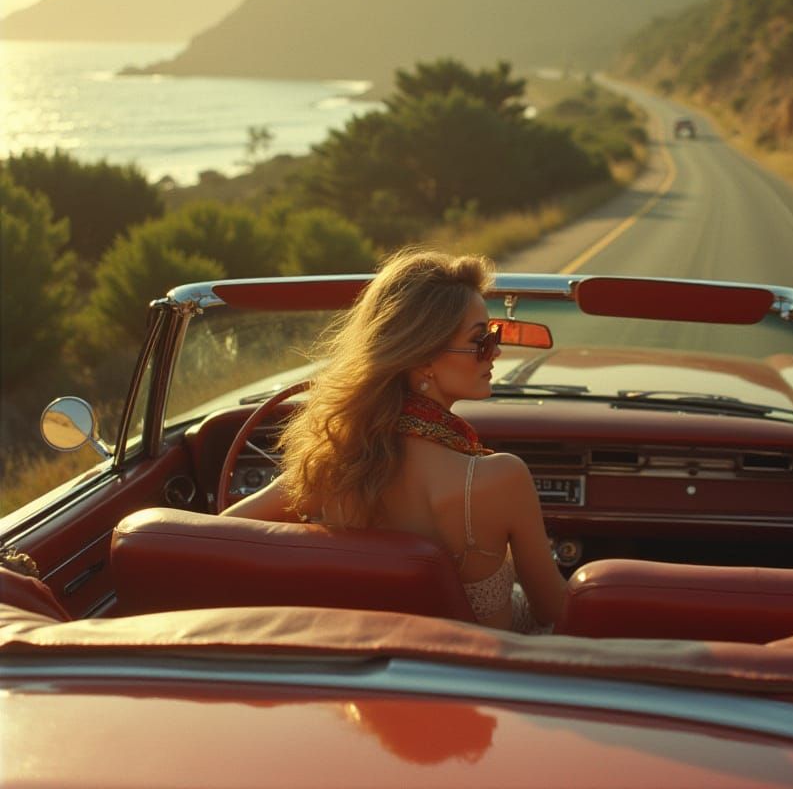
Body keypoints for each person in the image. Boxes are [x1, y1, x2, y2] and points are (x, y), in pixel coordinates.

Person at [225, 247, 567, 633]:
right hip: (483, 681)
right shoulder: (502, 479)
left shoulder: (330, 464)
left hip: (364, 674)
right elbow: (553, 608)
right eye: (481, 341)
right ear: (423, 359)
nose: (496, 352)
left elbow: (216, 537)